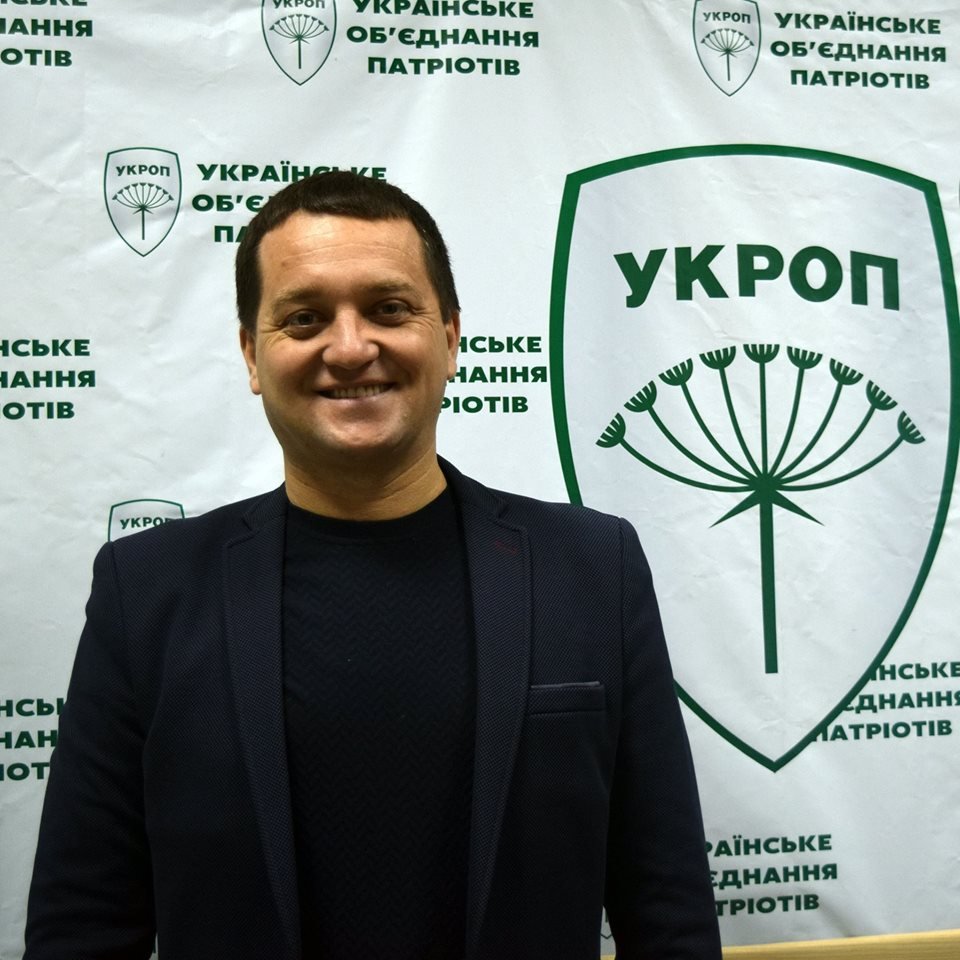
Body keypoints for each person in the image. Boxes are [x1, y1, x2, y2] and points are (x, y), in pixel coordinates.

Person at [24, 172, 721, 959]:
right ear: (252, 355)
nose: (351, 348)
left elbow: (667, 912)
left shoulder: (593, 569)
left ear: (450, 338)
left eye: (389, 309)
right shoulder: (147, 591)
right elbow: (83, 925)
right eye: (305, 318)